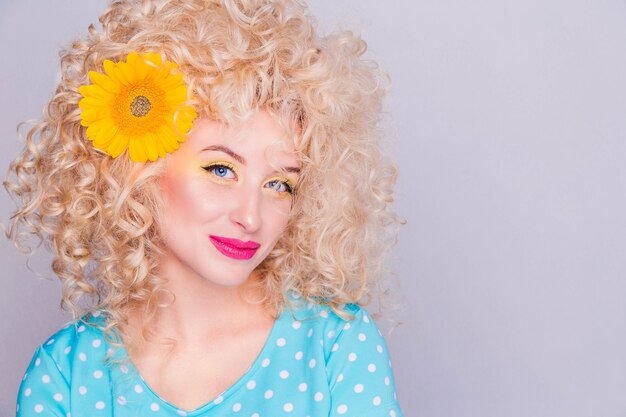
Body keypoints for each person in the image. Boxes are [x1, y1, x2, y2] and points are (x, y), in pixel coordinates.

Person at [5, 0, 403, 415]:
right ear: (139, 169)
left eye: (278, 184)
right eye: (221, 169)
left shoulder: (334, 346)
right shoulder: (67, 374)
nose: (251, 217)